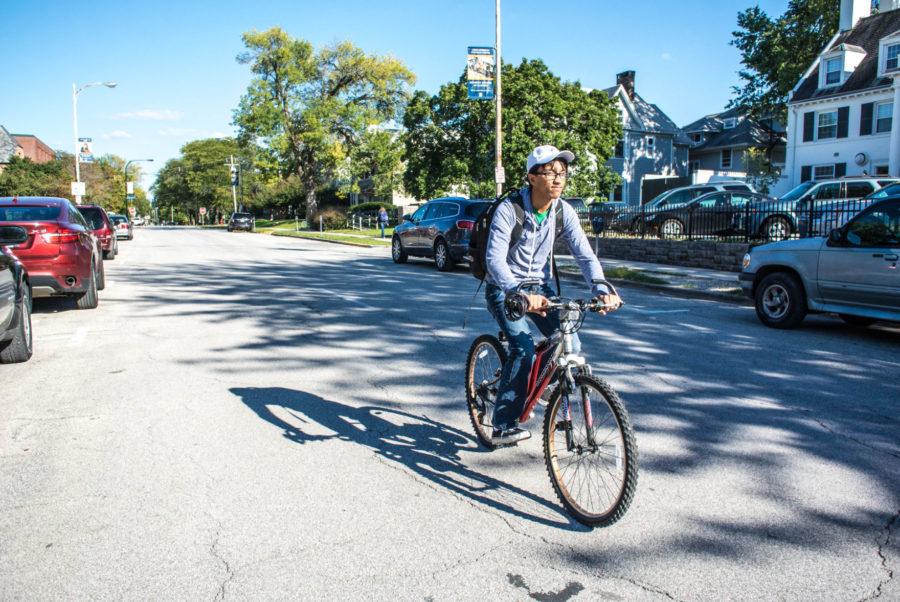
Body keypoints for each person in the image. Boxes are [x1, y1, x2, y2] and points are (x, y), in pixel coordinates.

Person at [485, 145, 622, 445]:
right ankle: (504, 423)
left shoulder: (563, 211)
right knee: (522, 346)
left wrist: (601, 288)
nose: (558, 179)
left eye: (562, 173)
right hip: (505, 287)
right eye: (550, 173)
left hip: (541, 289)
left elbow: (585, 255)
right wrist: (516, 291)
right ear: (532, 178)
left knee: (568, 333)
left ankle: (547, 382)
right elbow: (494, 259)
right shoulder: (510, 210)